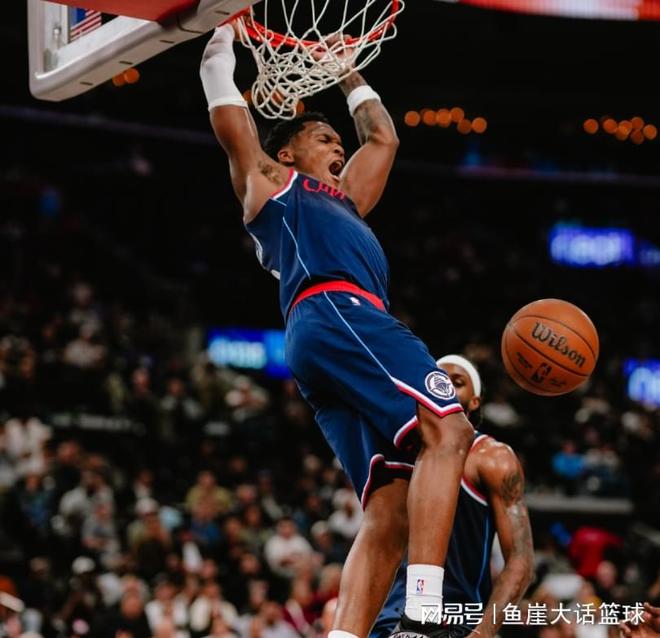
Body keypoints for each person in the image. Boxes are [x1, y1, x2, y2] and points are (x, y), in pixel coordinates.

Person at [200, 22, 474, 638]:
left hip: (327, 335)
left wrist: (345, 69)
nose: (337, 145)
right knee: (449, 427)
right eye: (323, 138)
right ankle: (423, 614)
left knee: (390, 508)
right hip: (336, 311)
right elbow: (231, 120)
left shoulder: (346, 199)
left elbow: (383, 137)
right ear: (288, 153)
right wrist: (218, 40)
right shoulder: (275, 185)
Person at [374, 355, 534, 638]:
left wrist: (482, 633)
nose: (444, 387)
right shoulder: (397, 454)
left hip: (454, 621)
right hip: (387, 618)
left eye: (456, 382)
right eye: (437, 380)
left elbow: (520, 562)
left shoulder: (493, 458)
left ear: (475, 402)